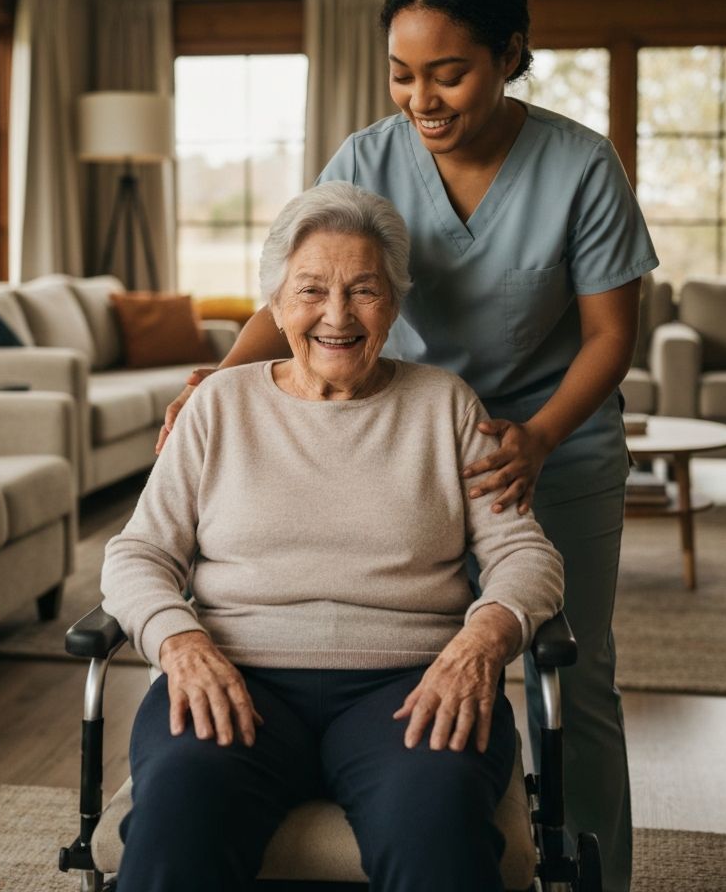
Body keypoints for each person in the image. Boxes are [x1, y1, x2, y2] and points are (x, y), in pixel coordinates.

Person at [157, 0, 658, 892]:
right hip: (408, 442)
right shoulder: (369, 157)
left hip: (556, 444)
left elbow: (608, 335)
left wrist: (540, 437)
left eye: (449, 73)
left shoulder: (580, 164)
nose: (421, 99)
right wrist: (214, 386)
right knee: (421, 649)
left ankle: (591, 877)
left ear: (511, 54)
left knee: (571, 678)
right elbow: (308, 284)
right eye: (401, 74)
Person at [103, 182, 564, 892]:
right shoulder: (218, 406)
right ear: (277, 305)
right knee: (180, 814)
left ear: (396, 302)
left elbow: (523, 553)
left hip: (412, 686)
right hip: (235, 674)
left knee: (434, 828)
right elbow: (138, 553)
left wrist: (483, 640)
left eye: (364, 290)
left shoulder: (445, 405)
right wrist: (179, 641)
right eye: (312, 289)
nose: (337, 316)